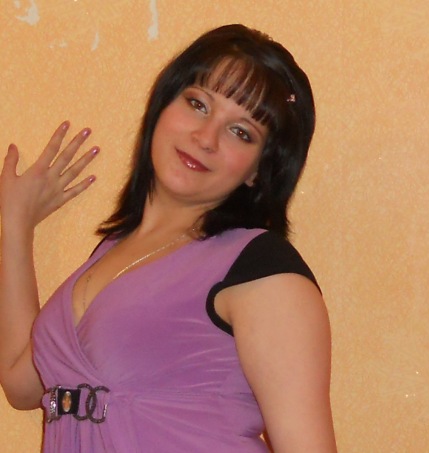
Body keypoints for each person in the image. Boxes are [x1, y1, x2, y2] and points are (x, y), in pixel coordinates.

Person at [0, 24, 336, 452]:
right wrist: (14, 223)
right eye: (198, 104)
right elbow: (21, 383)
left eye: (241, 132)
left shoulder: (260, 267)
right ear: (163, 104)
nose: (205, 138)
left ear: (259, 169)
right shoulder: (111, 253)